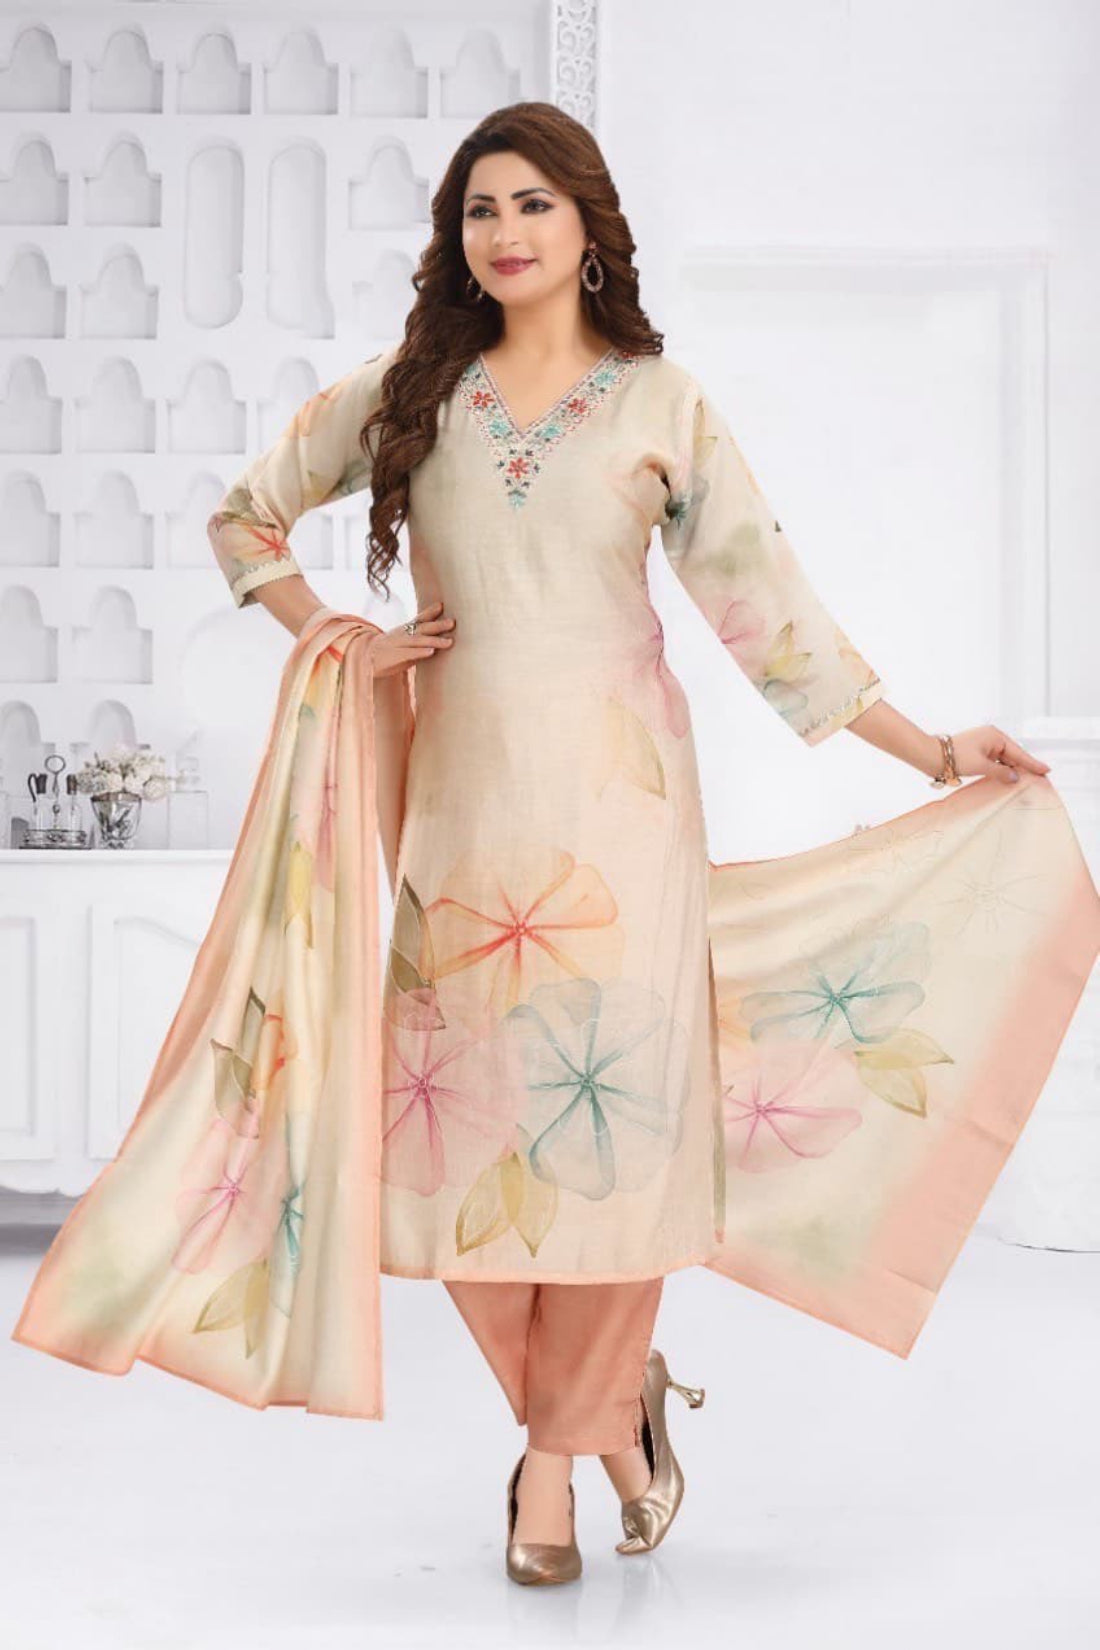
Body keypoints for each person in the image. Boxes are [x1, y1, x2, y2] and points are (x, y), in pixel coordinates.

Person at [15, 102, 1095, 1592]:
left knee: (619, 1144)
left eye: (533, 203)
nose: (506, 231)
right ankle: (609, 1408)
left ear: (590, 226)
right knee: (449, 1149)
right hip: (457, 818)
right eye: (480, 209)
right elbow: (246, 519)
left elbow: (770, 619)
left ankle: (546, 1461)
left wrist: (933, 752)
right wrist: (341, 637)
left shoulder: (661, 405)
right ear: (456, 239)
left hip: (625, 820)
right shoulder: (413, 393)